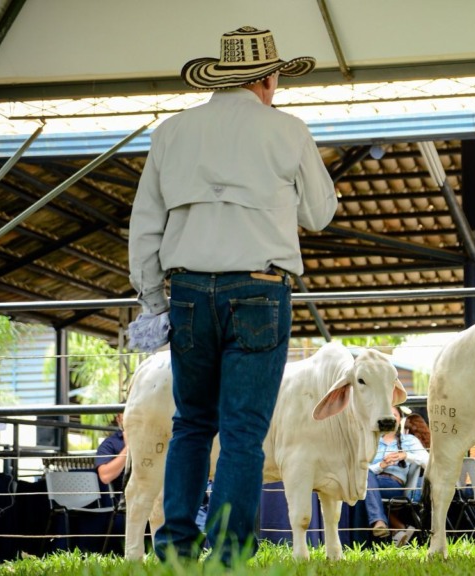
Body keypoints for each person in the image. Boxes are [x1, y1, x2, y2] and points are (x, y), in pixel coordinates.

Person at [127, 25, 337, 565]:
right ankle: (228, 552)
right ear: (267, 79)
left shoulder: (171, 133)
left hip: (189, 291)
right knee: (243, 432)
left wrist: (153, 300)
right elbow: (319, 213)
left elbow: (145, 226)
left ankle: (174, 546)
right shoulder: (288, 130)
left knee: (192, 424)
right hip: (260, 291)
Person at [365, 407, 428, 546]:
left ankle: (384, 524)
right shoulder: (371, 441)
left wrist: (406, 455)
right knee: (364, 476)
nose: (390, 418)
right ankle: (395, 527)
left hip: (392, 483)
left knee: (364, 484)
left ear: (400, 419)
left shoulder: (409, 440)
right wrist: (380, 466)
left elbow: (428, 461)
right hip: (370, 481)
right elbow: (362, 467)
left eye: (394, 415)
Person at [95, 414, 128, 507]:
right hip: (127, 502)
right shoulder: (110, 443)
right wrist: (128, 448)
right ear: (118, 419)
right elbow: (105, 476)